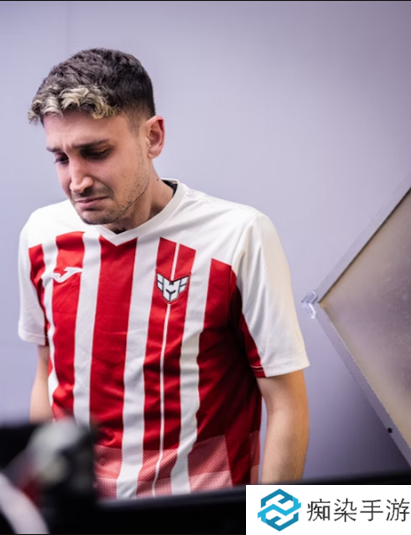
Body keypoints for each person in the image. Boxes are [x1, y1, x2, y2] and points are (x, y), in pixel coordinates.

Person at [17, 48, 310, 500]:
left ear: (152, 137)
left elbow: (286, 404)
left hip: (201, 517)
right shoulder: (41, 235)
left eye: (96, 152)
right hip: (81, 514)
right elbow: (46, 374)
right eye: (60, 158)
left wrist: (274, 527)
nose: (77, 180)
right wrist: (41, 502)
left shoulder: (238, 237)